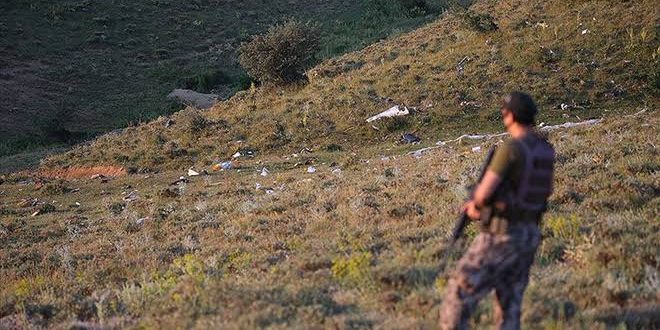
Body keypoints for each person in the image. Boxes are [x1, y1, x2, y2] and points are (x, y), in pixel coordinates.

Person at [439, 92, 555, 330]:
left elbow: (484, 192)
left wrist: (476, 206)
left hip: (501, 234)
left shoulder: (511, 149)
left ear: (510, 116)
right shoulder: (544, 149)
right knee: (509, 303)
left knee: (459, 291)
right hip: (530, 233)